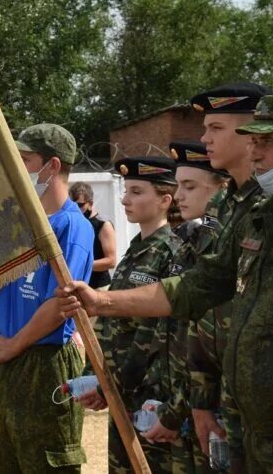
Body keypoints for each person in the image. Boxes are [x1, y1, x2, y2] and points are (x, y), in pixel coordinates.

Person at [58, 95, 273, 472]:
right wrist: (101, 302)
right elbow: (197, 287)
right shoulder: (256, 221)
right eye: (252, 140)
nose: (254, 153)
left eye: (267, 142)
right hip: (249, 436)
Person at [0, 124, 93, 473]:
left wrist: (14, 345)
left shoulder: (71, 226)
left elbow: (61, 303)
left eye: (25, 159)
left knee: (47, 464)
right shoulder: (21, 223)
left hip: (44, 364)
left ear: (53, 166)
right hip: (8, 360)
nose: (15, 167)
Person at [77, 156, 180, 473]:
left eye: (136, 191)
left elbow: (153, 331)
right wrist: (93, 375)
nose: (124, 199)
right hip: (121, 392)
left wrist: (114, 384)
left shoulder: (171, 251)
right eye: (126, 191)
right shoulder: (136, 249)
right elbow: (111, 324)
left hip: (148, 397)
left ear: (165, 200)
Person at [186, 83, 270, 468]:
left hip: (266, 402)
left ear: (252, 129)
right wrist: (202, 401)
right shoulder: (222, 203)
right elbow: (205, 303)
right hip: (223, 398)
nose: (204, 139)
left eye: (216, 128)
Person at [159, 142, 229, 472]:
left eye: (190, 186)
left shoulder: (218, 243)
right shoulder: (192, 240)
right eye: (177, 186)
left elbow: (207, 337)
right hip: (184, 401)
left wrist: (177, 409)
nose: (179, 196)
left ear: (222, 188)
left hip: (210, 405)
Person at [69, 182, 117, 290]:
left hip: (99, 287)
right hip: (77, 286)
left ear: (90, 203)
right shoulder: (74, 222)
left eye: (79, 205)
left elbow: (111, 261)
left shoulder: (103, 225)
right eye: (72, 205)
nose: (75, 209)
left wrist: (80, 265)